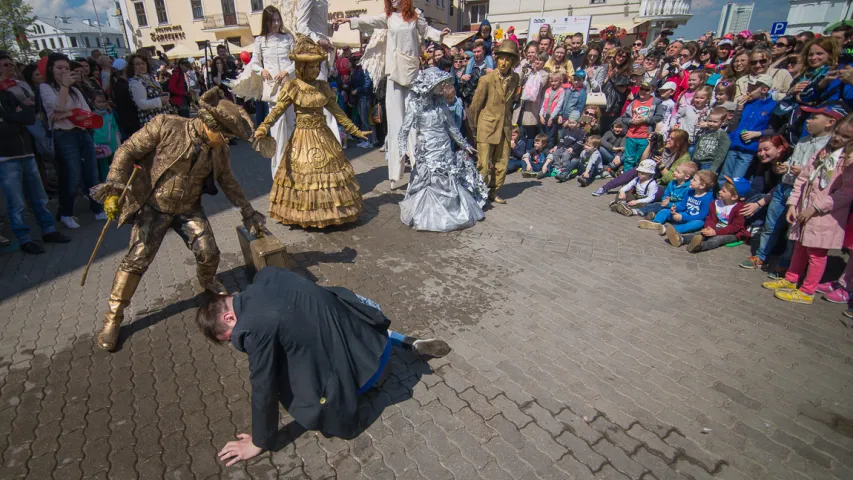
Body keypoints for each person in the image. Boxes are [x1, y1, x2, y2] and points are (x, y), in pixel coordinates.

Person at [195, 266, 451, 465]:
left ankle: (376, 379)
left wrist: (259, 441)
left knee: (302, 383)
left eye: (229, 337)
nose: (235, 343)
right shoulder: (269, 277)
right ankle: (408, 342)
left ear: (229, 317)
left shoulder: (254, 328)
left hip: (369, 372)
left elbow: (263, 387)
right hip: (373, 330)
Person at [90, 88, 267, 351]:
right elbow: (127, 150)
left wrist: (248, 210)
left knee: (209, 252)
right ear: (210, 125)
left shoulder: (219, 151)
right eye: (224, 135)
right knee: (136, 259)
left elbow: (228, 182)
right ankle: (113, 318)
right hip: (153, 206)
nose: (226, 141)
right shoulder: (166, 125)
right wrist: (114, 186)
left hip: (188, 208)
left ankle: (207, 281)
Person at [255, 35, 370, 228]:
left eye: (318, 66)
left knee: (328, 175)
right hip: (302, 137)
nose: (316, 70)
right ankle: (305, 215)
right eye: (312, 67)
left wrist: (355, 130)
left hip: (323, 135)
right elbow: (278, 110)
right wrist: (263, 127)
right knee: (304, 175)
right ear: (301, 68)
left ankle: (330, 213)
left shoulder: (322, 87)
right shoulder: (293, 87)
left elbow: (337, 112)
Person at [337, 1, 450, 187]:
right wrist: (350, 19)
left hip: (412, 73)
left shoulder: (415, 15)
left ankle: (418, 169)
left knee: (414, 124)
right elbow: (370, 21)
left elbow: (427, 30)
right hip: (394, 74)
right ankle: (395, 174)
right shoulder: (389, 17)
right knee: (396, 124)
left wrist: (440, 35)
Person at [762, 114, 853, 304]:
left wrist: (816, 208)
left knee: (816, 254)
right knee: (799, 247)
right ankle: (791, 279)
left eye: (844, 137)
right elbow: (803, 179)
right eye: (837, 133)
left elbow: (845, 194)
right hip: (803, 208)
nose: (837, 138)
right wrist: (793, 204)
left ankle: (807, 291)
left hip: (825, 215)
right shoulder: (823, 151)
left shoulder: (847, 162)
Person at [741, 104, 843, 270]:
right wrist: (786, 167)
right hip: (784, 186)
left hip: (802, 191)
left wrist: (803, 172)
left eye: (814, 118)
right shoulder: (803, 141)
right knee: (771, 225)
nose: (808, 121)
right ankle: (761, 255)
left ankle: (785, 263)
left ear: (830, 122)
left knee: (792, 231)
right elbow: (793, 161)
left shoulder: (830, 146)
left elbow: (826, 174)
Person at [397, 67, 486, 232]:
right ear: (430, 85)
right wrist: (402, 150)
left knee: (447, 178)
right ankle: (427, 214)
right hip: (427, 149)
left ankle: (452, 210)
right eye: (439, 84)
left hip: (443, 147)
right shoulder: (415, 106)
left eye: (442, 84)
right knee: (429, 180)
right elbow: (404, 130)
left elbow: (452, 128)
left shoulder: (442, 105)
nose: (442, 87)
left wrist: (464, 145)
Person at [0, 85, 71, 253]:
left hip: (26, 153)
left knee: (39, 197)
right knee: (16, 203)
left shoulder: (7, 95)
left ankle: (49, 230)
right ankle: (24, 240)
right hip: (5, 159)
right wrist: (16, 118)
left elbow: (29, 117)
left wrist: (8, 118)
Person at [40, 53, 106, 229]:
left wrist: (67, 114)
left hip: (83, 133)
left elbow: (85, 111)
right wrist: (64, 88)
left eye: (66, 68)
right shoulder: (46, 87)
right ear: (51, 69)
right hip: (64, 135)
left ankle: (97, 207)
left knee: (91, 172)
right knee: (72, 174)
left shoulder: (76, 90)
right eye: (59, 68)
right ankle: (66, 212)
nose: (64, 71)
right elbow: (57, 107)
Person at [469, 40, 521, 204]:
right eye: (501, 58)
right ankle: (479, 194)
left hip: (504, 127)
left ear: (513, 61)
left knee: (502, 164)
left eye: (508, 59)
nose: (504, 62)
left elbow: (511, 103)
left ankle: (493, 191)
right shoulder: (487, 79)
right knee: (483, 165)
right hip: (486, 127)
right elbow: (475, 106)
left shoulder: (515, 78)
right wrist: (477, 129)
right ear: (497, 59)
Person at [247, 5, 296, 175]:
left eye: (277, 19)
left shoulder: (287, 37)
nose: (276, 23)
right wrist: (262, 70)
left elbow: (296, 60)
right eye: (272, 20)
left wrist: (287, 71)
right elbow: (253, 63)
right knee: (276, 130)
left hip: (289, 88)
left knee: (291, 126)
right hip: (273, 91)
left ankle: (294, 167)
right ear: (266, 21)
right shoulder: (261, 41)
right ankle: (278, 172)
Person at [720, 74, 777, 184]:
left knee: (736, 180)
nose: (749, 90)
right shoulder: (747, 103)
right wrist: (739, 109)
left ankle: (731, 200)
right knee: (723, 178)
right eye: (749, 87)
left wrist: (757, 133)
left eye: (753, 88)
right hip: (734, 145)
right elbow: (732, 126)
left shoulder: (772, 105)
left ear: (764, 89)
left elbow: (773, 130)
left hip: (749, 148)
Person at [680, 176, 753, 253]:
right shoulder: (716, 203)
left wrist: (716, 232)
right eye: (721, 189)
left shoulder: (740, 209)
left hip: (732, 233)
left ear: (734, 197)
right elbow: (710, 217)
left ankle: (699, 246)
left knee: (717, 239)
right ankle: (681, 239)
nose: (720, 192)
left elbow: (735, 227)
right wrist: (709, 227)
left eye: (724, 191)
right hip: (716, 228)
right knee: (700, 234)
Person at [639, 169, 716, 239]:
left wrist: (682, 217)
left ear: (702, 185)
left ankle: (672, 229)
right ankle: (656, 223)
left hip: (692, 219)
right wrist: (675, 209)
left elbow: (701, 216)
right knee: (665, 211)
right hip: (682, 214)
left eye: (694, 180)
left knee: (698, 223)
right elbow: (682, 206)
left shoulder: (708, 198)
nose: (691, 181)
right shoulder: (689, 191)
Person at [620, 81, 663, 172]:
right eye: (641, 89)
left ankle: (636, 179)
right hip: (631, 135)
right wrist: (631, 121)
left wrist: (645, 119)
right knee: (629, 160)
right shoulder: (634, 102)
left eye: (646, 90)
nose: (643, 91)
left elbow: (659, 117)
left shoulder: (656, 102)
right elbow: (624, 118)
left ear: (652, 90)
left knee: (640, 160)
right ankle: (626, 180)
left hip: (645, 136)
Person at [128, 53, 173, 126]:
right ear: (132, 67)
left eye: (143, 63)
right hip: (151, 122)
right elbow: (142, 104)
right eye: (137, 64)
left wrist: (163, 95)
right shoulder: (135, 82)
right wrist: (160, 100)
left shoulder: (149, 78)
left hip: (162, 119)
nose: (141, 66)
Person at [91, 91, 121, 181]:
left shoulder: (109, 114)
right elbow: (91, 131)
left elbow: (115, 128)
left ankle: (114, 180)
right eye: (99, 102)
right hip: (100, 145)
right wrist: (94, 145)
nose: (102, 104)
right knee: (103, 166)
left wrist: (118, 142)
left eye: (104, 102)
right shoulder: (92, 116)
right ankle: (106, 183)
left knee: (114, 163)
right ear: (93, 102)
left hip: (112, 144)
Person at [109, 58, 140, 139]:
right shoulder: (122, 86)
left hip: (128, 121)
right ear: (125, 69)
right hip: (131, 122)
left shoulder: (119, 84)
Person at [693, 107, 731, 171]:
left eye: (715, 122)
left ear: (722, 122)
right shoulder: (704, 131)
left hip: (708, 163)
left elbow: (721, 153)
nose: (711, 124)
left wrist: (713, 168)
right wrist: (694, 158)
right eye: (710, 121)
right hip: (697, 160)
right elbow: (698, 146)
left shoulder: (722, 135)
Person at [539, 72, 565, 148]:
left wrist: (551, 117)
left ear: (560, 80)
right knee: (543, 135)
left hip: (553, 117)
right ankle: (541, 152)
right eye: (552, 81)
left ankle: (548, 151)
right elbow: (543, 103)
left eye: (555, 81)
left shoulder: (561, 91)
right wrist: (541, 115)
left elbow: (559, 105)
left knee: (550, 136)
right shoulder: (548, 90)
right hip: (545, 115)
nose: (553, 83)